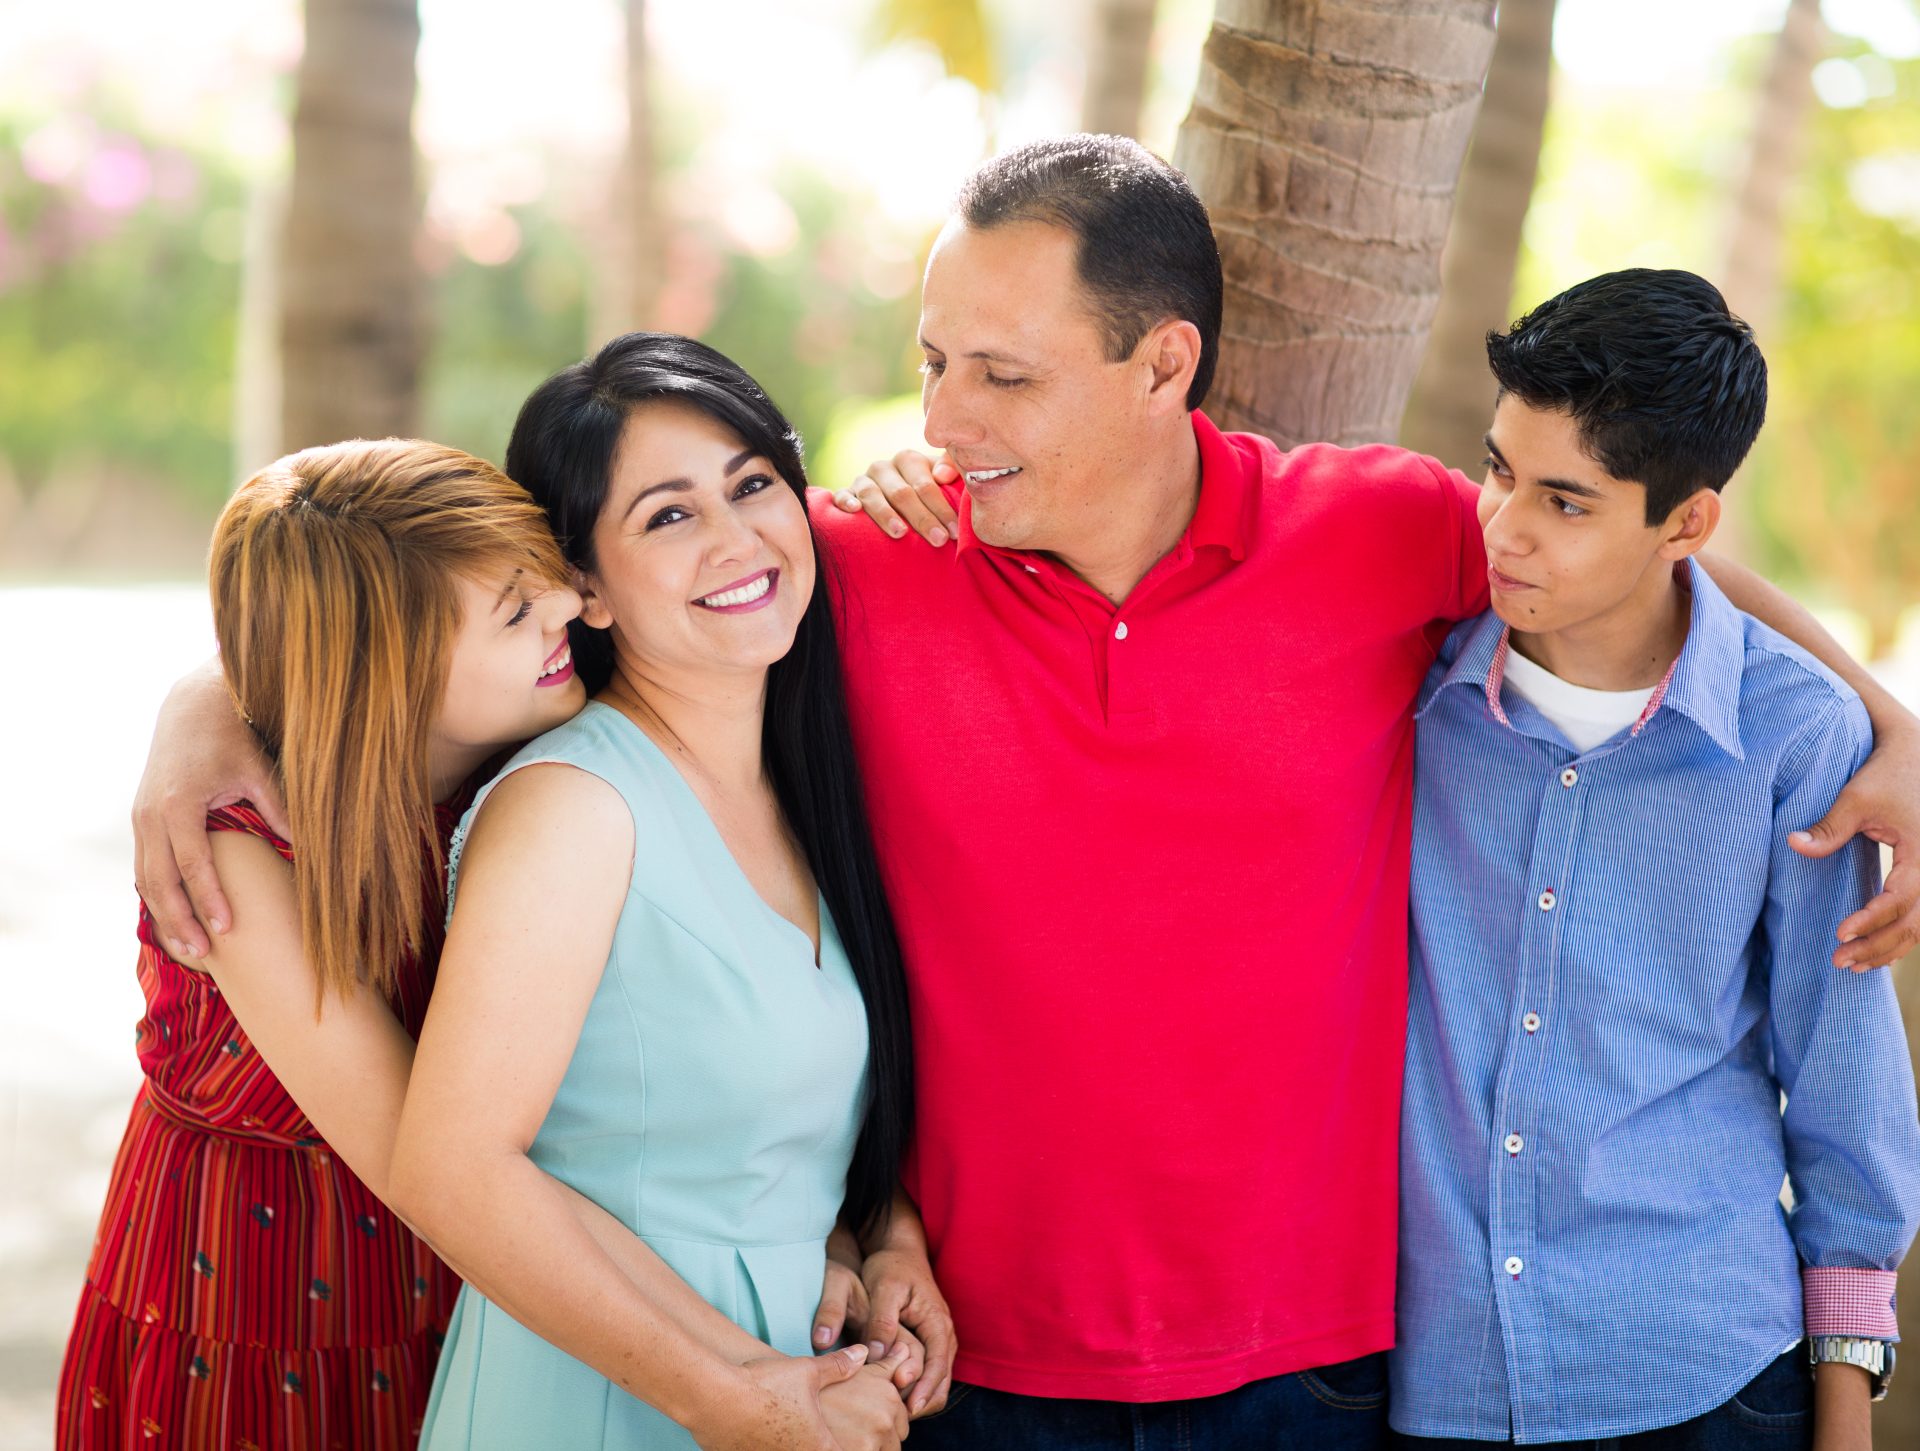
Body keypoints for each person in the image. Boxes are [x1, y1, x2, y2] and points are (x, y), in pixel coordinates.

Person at [132, 136, 1920, 1450]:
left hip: (1314, 1369)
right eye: (933, 362)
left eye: (1002, 374)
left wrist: (1880, 714)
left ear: (1163, 364)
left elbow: (1614, 552)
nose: (946, 415)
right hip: (961, 1374)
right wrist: (216, 702)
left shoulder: (1376, 530)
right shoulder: (844, 568)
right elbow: (535, 572)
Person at [1391, 270, 1920, 1449]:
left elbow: (1842, 1082)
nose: (1504, 527)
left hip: (1705, 1375)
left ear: (1686, 524)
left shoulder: (1794, 736)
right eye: (1499, 470)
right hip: (1440, 1378)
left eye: (1567, 503)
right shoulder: (1408, 677)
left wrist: (1846, 1408)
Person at [385, 333, 927, 1451]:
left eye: (753, 484)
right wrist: (740, 1402)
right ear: (582, 583)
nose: (736, 539)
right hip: (602, 1401)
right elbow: (453, 1170)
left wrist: (881, 1242)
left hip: (790, 1393)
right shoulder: (574, 806)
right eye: (669, 515)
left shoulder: (801, 788)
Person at [57, 440, 588, 1449]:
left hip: (469, 1270)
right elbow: (425, 1168)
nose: (572, 605)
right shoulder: (240, 845)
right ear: (389, 671)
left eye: (544, 574)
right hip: (255, 1301)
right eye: (518, 608)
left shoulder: (522, 715)